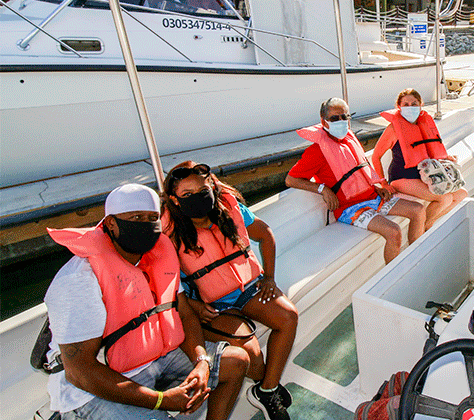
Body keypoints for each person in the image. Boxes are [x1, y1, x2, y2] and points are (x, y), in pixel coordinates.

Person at [43, 183, 248, 420]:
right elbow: (80, 372)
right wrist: (162, 400)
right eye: (136, 217)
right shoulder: (79, 279)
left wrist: (201, 362)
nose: (146, 225)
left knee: (236, 361)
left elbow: (184, 314)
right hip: (95, 385)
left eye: (153, 218)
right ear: (110, 223)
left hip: (156, 358)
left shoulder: (157, 257)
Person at [161, 162, 298, 420]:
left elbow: (265, 234)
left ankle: (267, 391)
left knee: (288, 316)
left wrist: (269, 277)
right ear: (174, 200)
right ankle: (264, 382)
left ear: (212, 186)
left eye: (202, 190)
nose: (197, 198)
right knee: (253, 357)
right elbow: (164, 285)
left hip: (247, 289)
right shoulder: (169, 233)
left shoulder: (229, 209)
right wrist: (193, 308)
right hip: (209, 304)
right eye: (187, 195)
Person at [285, 97, 425, 263]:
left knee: (418, 210)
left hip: (373, 197)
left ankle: (417, 259)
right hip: (349, 208)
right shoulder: (317, 151)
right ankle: (394, 276)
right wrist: (323, 189)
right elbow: (291, 180)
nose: (341, 121)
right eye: (335, 118)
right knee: (393, 231)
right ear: (324, 122)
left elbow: (360, 168)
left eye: (345, 117)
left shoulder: (349, 139)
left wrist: (376, 187)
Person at [372, 88, 468, 230]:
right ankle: (425, 227)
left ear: (421, 104)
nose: (410, 107)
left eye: (414, 103)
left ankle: (429, 224)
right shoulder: (393, 129)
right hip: (401, 178)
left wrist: (446, 157)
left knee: (462, 194)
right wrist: (383, 183)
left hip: (422, 175)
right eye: (406, 104)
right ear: (399, 107)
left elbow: (428, 150)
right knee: (444, 198)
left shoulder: (423, 124)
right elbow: (375, 157)